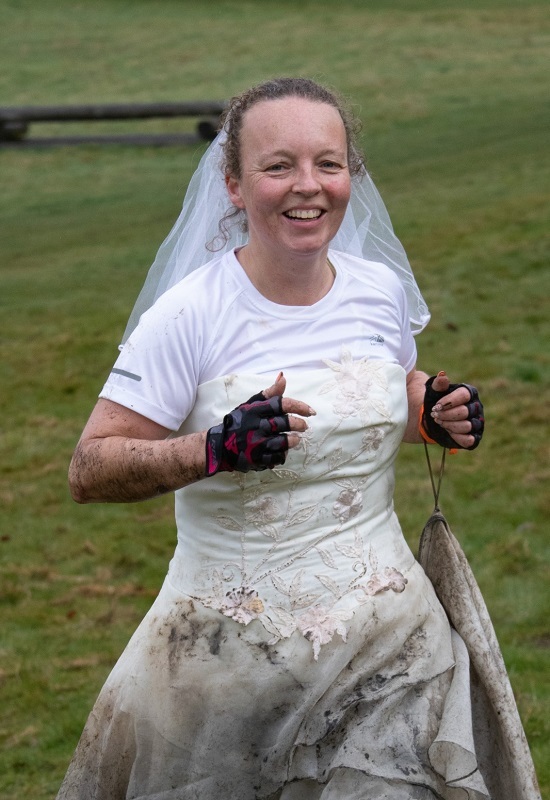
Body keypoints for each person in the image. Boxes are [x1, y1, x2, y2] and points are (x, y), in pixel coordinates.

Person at [57, 77, 497, 800]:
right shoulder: (189, 315)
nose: (309, 187)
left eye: (329, 163)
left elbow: (386, 394)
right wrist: (212, 449)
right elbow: (89, 468)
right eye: (278, 166)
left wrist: (439, 411)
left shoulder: (377, 290)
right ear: (233, 185)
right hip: (229, 667)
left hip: (393, 651)